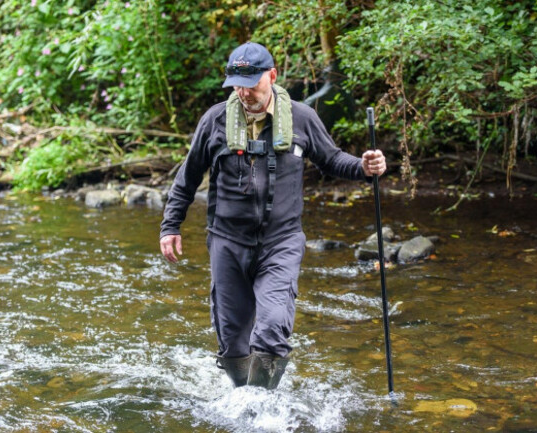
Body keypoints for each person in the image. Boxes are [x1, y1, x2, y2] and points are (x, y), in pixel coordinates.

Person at [159, 42, 386, 390]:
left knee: (272, 327)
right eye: (237, 83)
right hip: (227, 242)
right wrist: (170, 225)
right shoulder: (214, 120)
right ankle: (241, 398)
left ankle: (261, 409)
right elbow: (187, 178)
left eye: (252, 83)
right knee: (233, 339)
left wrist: (365, 167)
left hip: (280, 242)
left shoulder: (302, 118)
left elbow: (333, 159)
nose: (244, 91)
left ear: (273, 75)